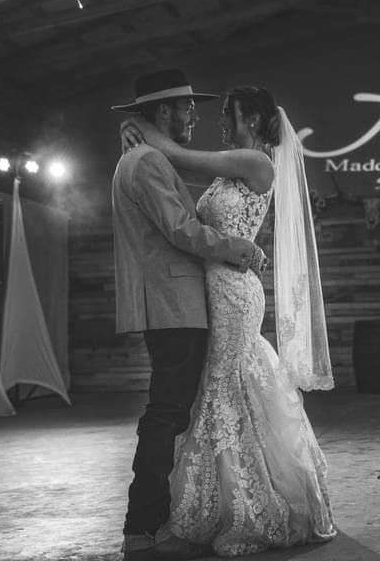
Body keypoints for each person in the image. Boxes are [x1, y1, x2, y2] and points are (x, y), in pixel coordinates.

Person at [119, 85, 338, 557]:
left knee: (232, 380)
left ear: (253, 120)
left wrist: (139, 128)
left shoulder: (256, 163)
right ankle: (219, 500)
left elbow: (181, 157)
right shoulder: (229, 169)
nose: (220, 122)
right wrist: (138, 136)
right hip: (209, 288)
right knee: (216, 387)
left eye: (229, 114)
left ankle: (256, 502)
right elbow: (173, 168)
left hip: (236, 288)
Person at [110, 70, 269, 561]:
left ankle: (163, 519)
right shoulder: (147, 161)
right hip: (174, 304)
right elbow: (182, 230)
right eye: (187, 108)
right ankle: (143, 527)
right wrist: (240, 248)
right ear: (164, 112)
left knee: (174, 411)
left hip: (186, 302)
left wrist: (133, 129)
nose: (195, 115)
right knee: (167, 413)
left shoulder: (145, 156)